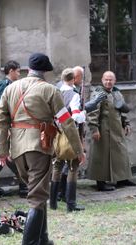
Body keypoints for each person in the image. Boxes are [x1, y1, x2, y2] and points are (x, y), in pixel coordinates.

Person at [0, 53, 85, 245]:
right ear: (45, 71)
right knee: (36, 197)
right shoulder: (50, 90)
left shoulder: (11, 88)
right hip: (39, 146)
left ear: (29, 69)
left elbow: (0, 120)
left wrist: (2, 150)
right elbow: (66, 122)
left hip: (16, 149)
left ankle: (42, 239)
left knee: (38, 192)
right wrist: (78, 149)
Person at [87, 71, 136, 192]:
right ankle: (101, 182)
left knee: (120, 154)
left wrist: (127, 123)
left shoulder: (117, 92)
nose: (108, 82)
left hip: (117, 128)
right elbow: (92, 112)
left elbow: (121, 110)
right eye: (106, 80)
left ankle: (122, 178)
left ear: (114, 81)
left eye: (111, 80)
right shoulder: (98, 93)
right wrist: (94, 129)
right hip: (103, 129)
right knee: (101, 155)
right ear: (102, 80)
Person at [0, 60, 28, 198]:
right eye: (17, 71)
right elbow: (2, 109)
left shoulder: (8, 85)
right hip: (2, 127)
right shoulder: (5, 85)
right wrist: (7, 127)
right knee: (10, 154)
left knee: (1, 154)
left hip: (1, 126)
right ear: (11, 71)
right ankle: (23, 185)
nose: (19, 74)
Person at [50, 68, 86, 212]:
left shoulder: (56, 91)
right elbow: (76, 116)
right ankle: (71, 204)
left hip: (57, 132)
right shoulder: (74, 94)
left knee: (57, 165)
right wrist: (84, 114)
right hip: (70, 132)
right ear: (72, 79)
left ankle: (53, 202)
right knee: (73, 165)